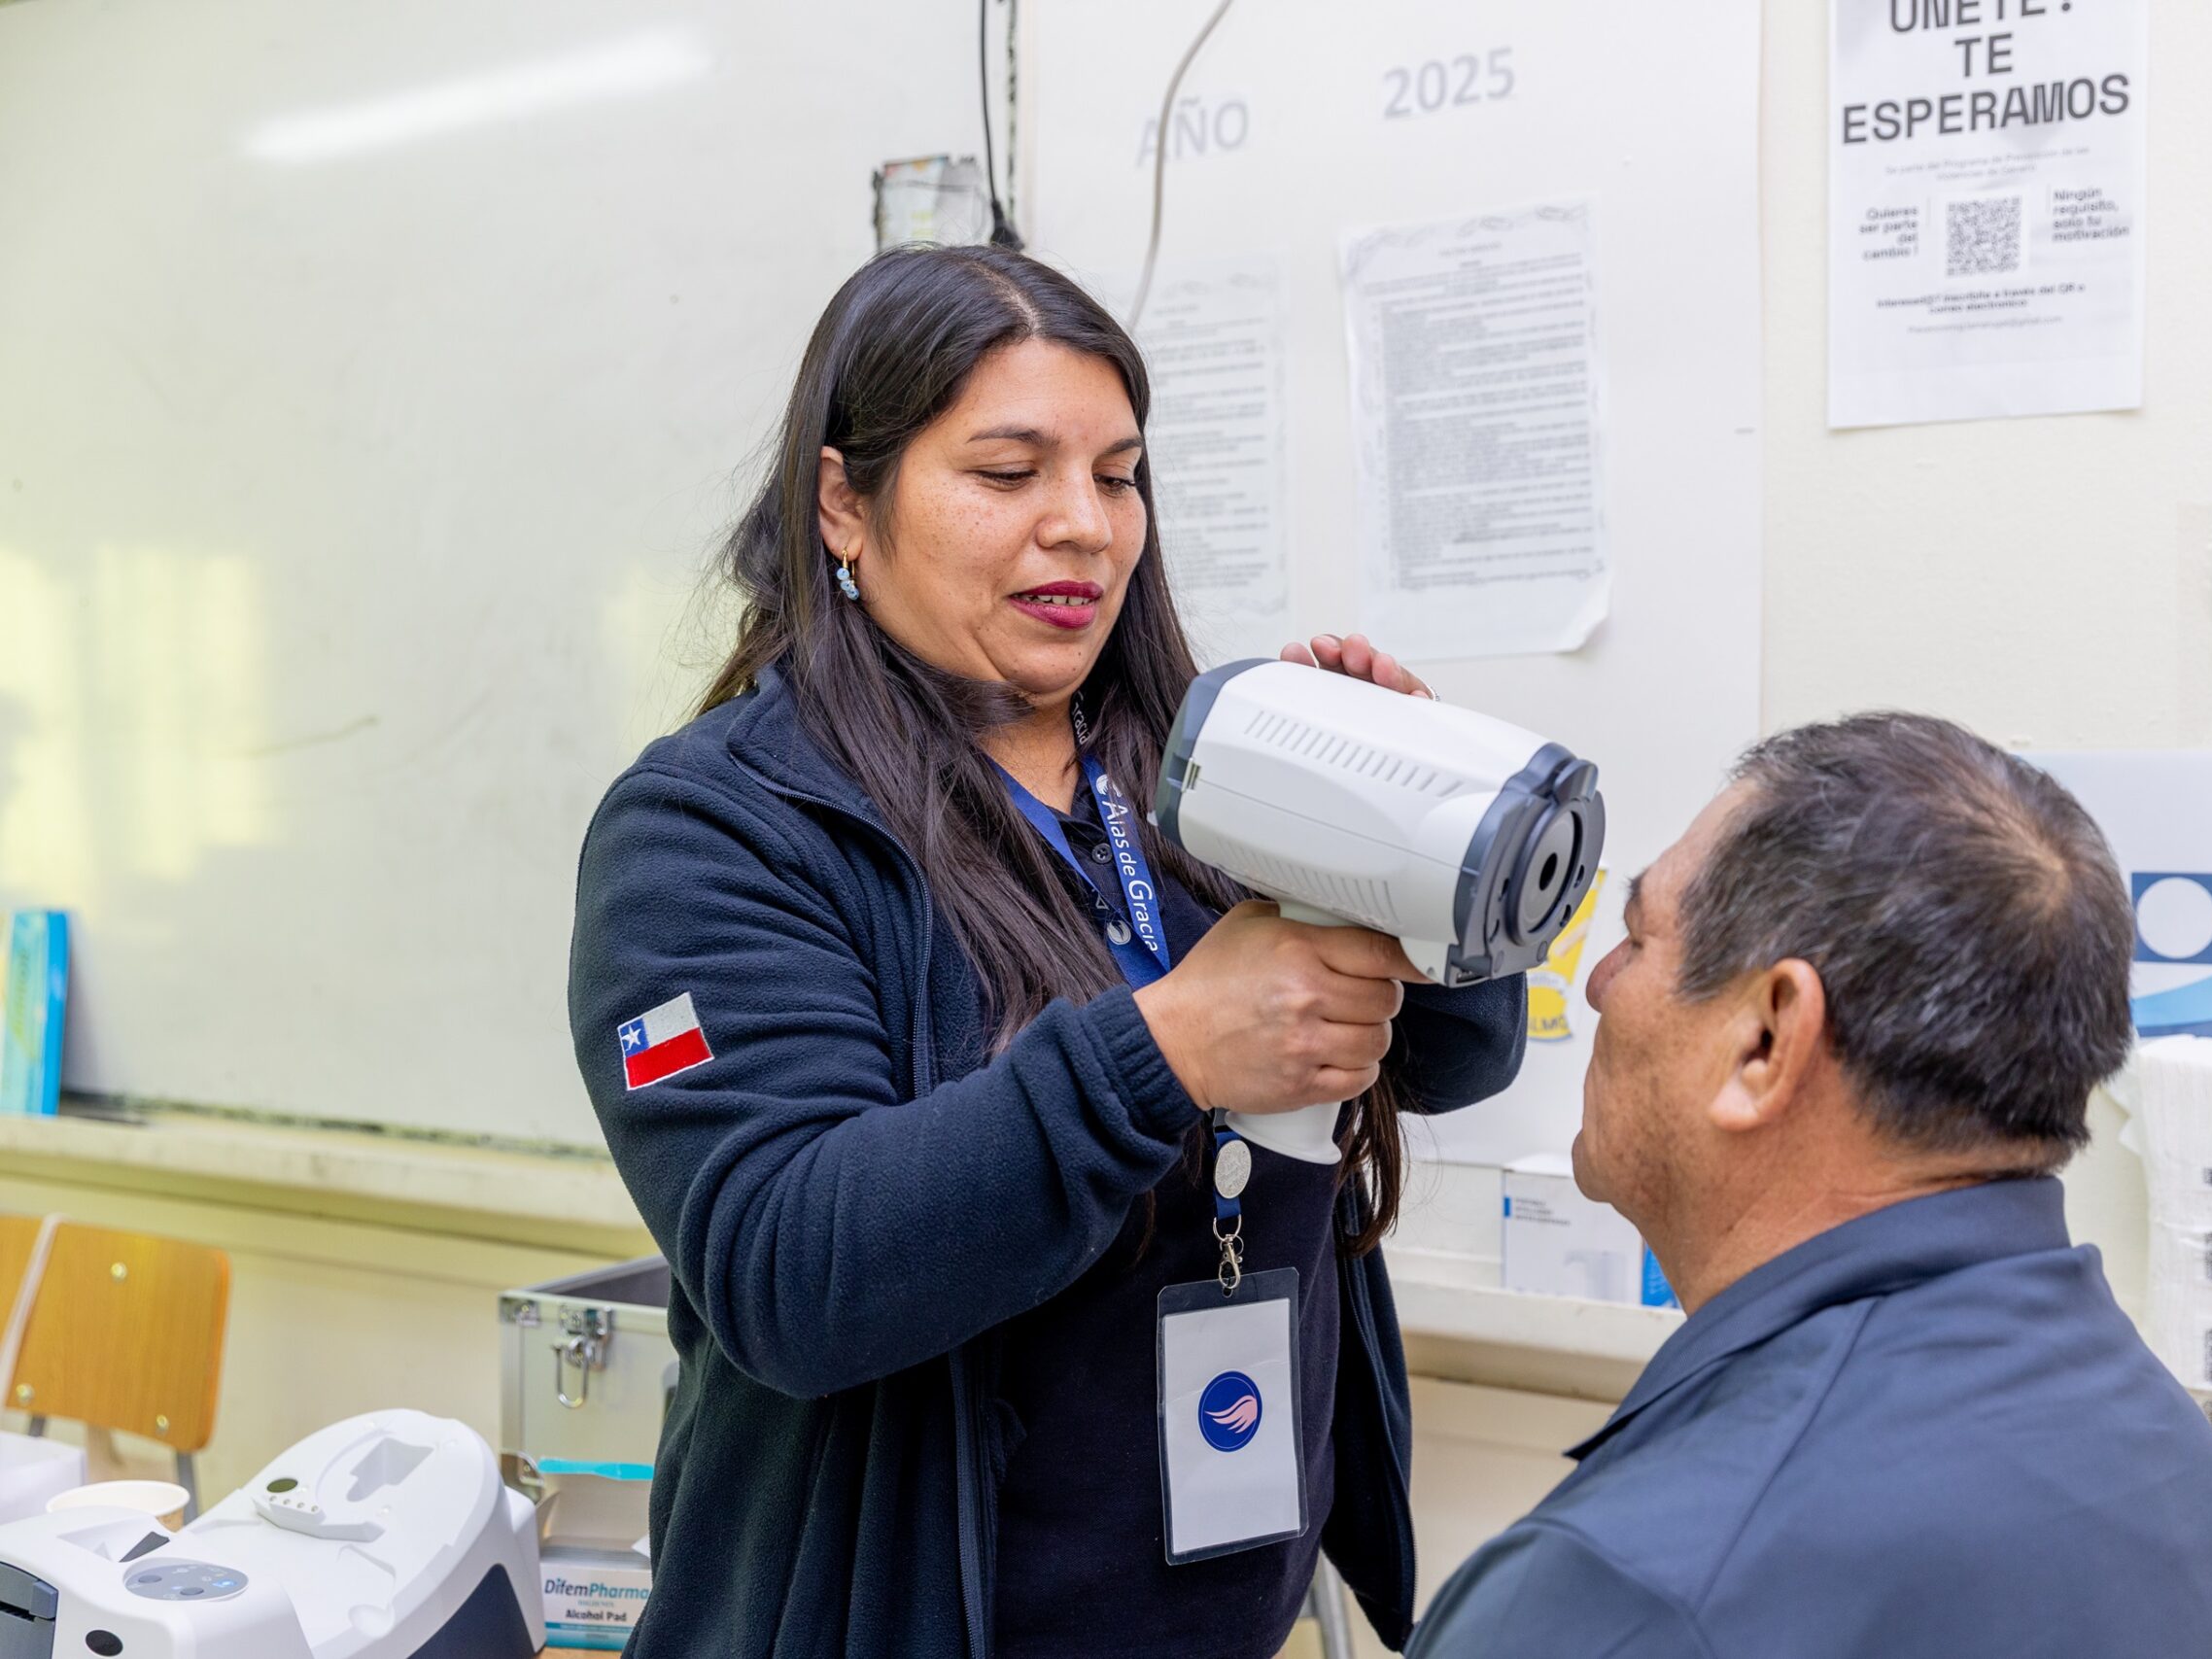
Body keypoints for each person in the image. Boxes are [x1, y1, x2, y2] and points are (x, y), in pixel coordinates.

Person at [568, 243, 1524, 1659]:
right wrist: (1170, 1045)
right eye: (1007, 474)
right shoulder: (716, 828)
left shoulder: (1199, 756)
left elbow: (1455, 1057)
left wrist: (1424, 838)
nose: (1081, 525)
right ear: (845, 499)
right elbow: (790, 1268)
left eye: (1117, 473)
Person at [1410, 712, 2212, 1659]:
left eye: (1634, 938)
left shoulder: (1639, 1588)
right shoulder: (2156, 1455)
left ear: (1765, 1040)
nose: (1596, 986)